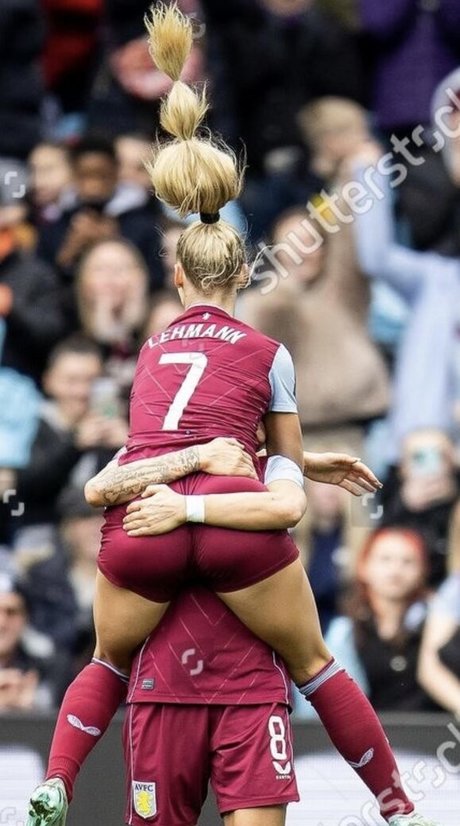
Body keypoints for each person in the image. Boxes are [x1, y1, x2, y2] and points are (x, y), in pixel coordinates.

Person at [27, 8, 436, 826]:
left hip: (144, 518)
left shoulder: (151, 350)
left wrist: (185, 485)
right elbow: (269, 467)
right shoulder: (266, 350)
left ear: (176, 279)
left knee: (106, 661)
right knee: (316, 664)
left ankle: (58, 781)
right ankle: (397, 804)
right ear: (243, 276)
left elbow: (169, 437)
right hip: (227, 517)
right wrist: (292, 465)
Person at [325, 528, 433, 711]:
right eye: (385, 559)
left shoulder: (437, 624)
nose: (396, 570)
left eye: (407, 561)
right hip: (365, 726)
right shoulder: (344, 632)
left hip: (433, 726)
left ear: (422, 571)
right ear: (363, 567)